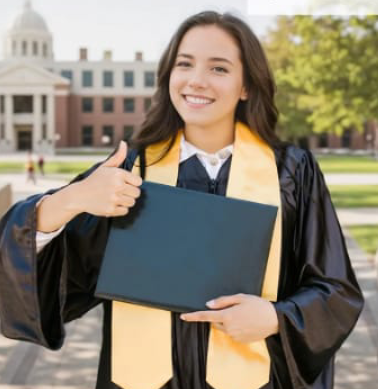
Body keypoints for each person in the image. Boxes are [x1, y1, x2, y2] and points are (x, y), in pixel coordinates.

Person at [0, 10, 363, 389]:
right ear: (168, 77)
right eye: (184, 64)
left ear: (247, 86)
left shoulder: (291, 172)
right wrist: (71, 199)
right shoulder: (129, 170)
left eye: (219, 69)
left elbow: (336, 290)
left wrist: (277, 317)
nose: (196, 81)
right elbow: (47, 275)